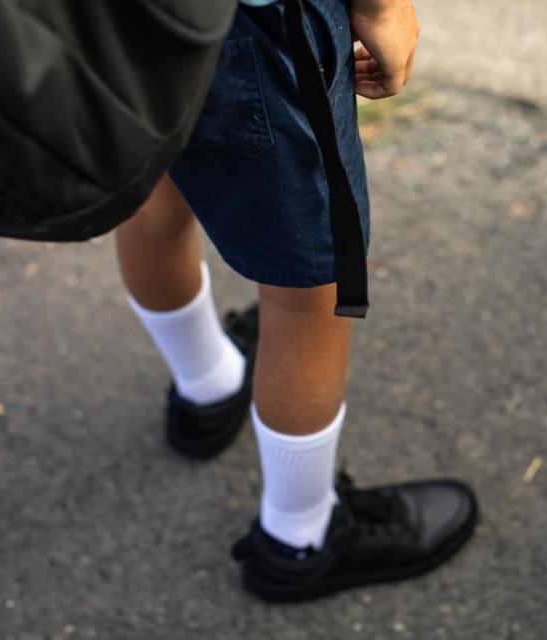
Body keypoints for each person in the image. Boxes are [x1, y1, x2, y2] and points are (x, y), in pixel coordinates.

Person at [114, 0, 477, 602]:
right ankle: (298, 540)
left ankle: (206, 389)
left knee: (155, 189)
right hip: (248, 25)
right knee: (310, 292)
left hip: (105, 21)